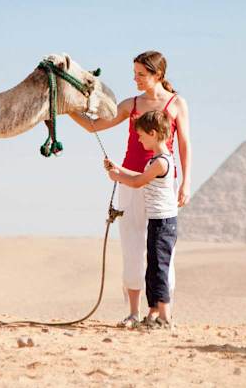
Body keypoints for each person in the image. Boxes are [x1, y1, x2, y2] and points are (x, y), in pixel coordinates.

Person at [69, 50, 192, 327]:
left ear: (157, 75)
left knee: (160, 250)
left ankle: (160, 312)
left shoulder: (176, 104)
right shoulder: (130, 104)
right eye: (134, 73)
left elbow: (184, 143)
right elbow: (93, 126)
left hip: (160, 182)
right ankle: (134, 312)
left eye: (141, 74)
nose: (135, 79)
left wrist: (186, 181)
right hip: (129, 179)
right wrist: (67, 109)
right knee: (133, 244)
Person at [104, 110, 178, 328]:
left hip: (163, 224)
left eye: (142, 135)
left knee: (159, 269)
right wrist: (117, 168)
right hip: (157, 222)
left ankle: (165, 318)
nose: (139, 139)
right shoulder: (157, 160)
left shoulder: (161, 163)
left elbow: (137, 182)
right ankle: (154, 313)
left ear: (153, 133)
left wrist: (117, 177)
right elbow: (137, 176)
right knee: (152, 267)